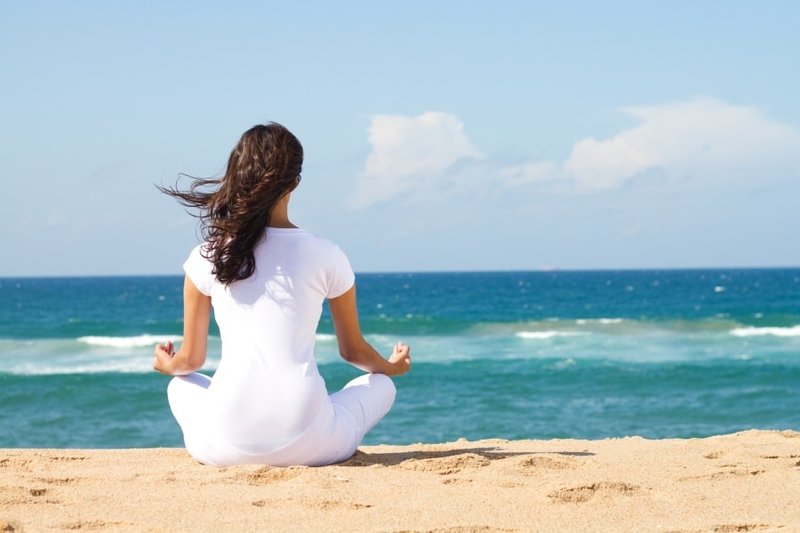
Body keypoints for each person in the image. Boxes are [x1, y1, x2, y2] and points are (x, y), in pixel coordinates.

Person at [153, 122, 411, 467]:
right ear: (294, 182)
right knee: (380, 385)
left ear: (236, 175)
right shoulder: (326, 254)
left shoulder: (206, 257)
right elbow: (353, 351)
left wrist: (168, 363)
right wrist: (390, 368)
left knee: (180, 384)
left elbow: (192, 361)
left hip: (225, 448)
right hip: (312, 444)